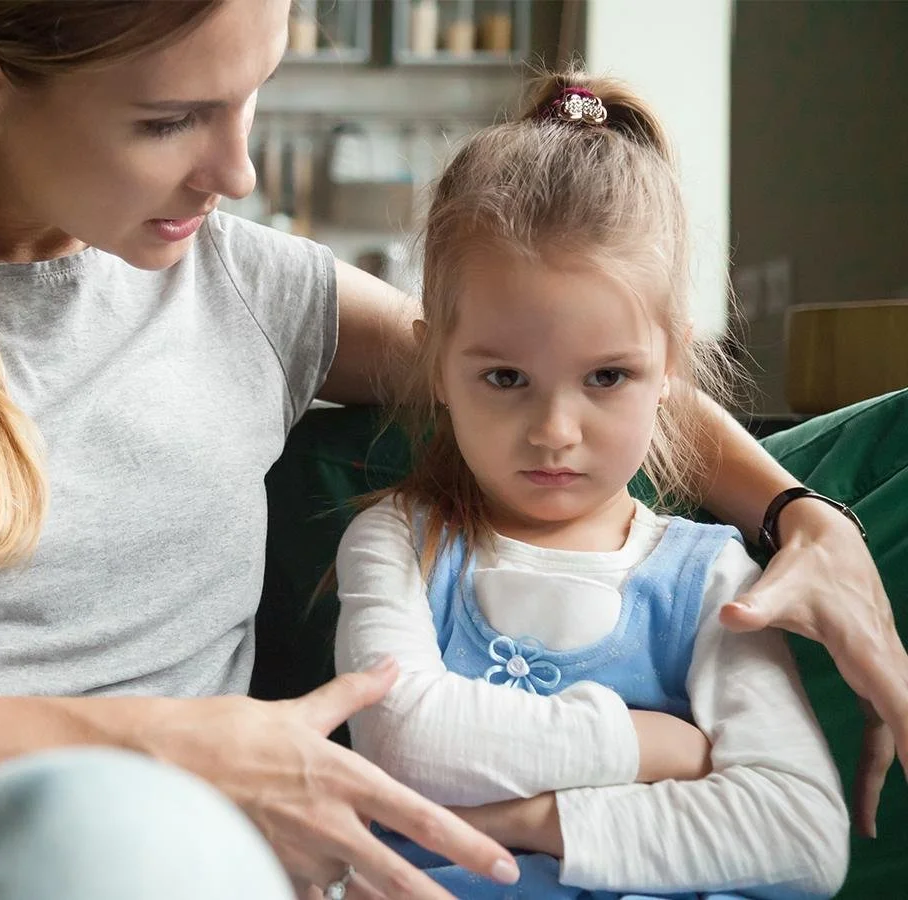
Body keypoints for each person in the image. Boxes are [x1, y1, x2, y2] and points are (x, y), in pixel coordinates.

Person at [0, 1, 898, 897]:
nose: (238, 174)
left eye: (250, 99)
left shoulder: (251, 285)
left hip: (202, 871)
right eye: (169, 119)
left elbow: (570, 365)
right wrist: (156, 749)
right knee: (104, 835)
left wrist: (800, 513)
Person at [334, 75, 851, 898]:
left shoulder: (715, 579)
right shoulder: (400, 541)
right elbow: (405, 740)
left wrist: (522, 821)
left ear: (671, 366)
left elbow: (802, 838)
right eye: (505, 376)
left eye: (607, 376)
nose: (555, 431)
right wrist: (656, 748)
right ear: (437, 364)